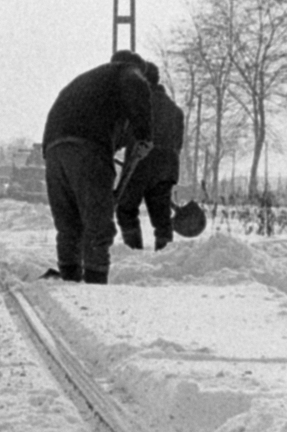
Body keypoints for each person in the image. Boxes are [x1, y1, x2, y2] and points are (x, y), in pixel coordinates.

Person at [40, 50, 154, 284]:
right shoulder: (129, 73)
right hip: (87, 149)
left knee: (69, 223)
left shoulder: (91, 82)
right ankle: (95, 285)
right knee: (97, 223)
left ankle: (70, 278)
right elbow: (136, 88)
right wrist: (145, 136)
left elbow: (110, 125)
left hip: (54, 150)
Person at [115, 62, 186, 251]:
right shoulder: (176, 111)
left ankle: (134, 252)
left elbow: (123, 135)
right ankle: (164, 256)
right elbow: (178, 144)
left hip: (141, 163)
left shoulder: (138, 104)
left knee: (125, 209)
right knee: (162, 218)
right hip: (168, 168)